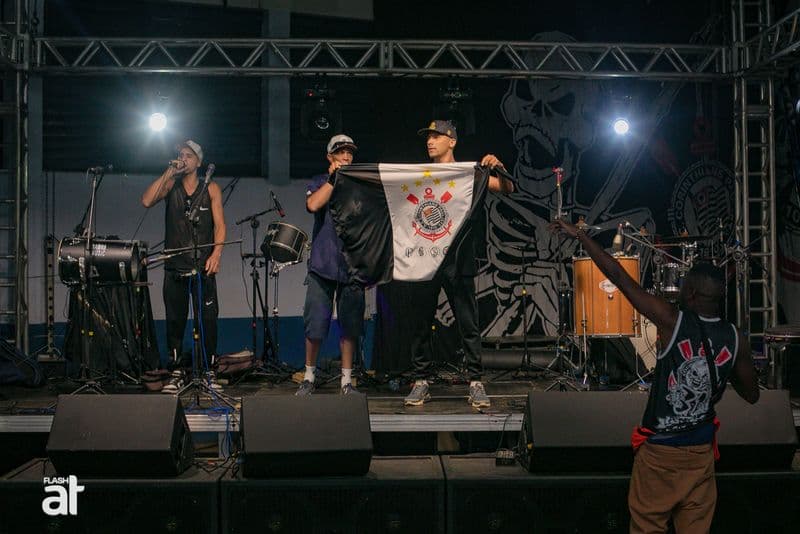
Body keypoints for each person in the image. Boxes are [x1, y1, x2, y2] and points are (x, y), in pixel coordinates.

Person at [549, 218, 759, 534]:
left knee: (648, 526)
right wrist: (718, 368)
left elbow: (619, 276)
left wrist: (581, 235)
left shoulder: (672, 320)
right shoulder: (735, 338)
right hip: (701, 454)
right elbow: (752, 395)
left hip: (661, 453)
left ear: (690, 293)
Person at [404, 120, 514, 408]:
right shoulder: (419, 175)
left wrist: (499, 167)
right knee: (420, 323)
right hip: (426, 258)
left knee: (468, 323)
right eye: (428, 137)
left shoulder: (469, 174)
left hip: (459, 259)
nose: (430, 141)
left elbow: (507, 188)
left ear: (452, 141)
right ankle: (421, 381)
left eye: (436, 136)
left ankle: (476, 382)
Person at [141, 140, 226, 393]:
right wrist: (169, 170)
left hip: (203, 266)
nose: (183, 158)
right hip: (174, 266)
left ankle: (209, 371)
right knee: (175, 321)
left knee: (207, 320)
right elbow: (146, 201)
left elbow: (220, 225)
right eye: (181, 155)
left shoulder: (211, 188)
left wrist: (216, 253)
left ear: (198, 162)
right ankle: (176, 371)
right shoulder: (171, 185)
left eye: (188, 155)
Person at [296, 134, 365, 395]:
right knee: (315, 324)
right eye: (341, 152)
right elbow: (313, 204)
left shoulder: (359, 186)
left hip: (351, 266)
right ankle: (309, 377)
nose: (346, 156)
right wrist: (333, 179)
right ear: (330, 157)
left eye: (350, 152)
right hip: (322, 265)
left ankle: (346, 381)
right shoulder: (320, 181)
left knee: (350, 326)